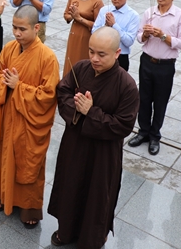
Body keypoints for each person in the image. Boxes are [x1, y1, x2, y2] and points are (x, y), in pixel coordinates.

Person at [48, 27, 140, 248]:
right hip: (75, 143)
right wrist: (78, 109)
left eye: (101, 54)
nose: (94, 59)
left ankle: (92, 238)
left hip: (103, 154)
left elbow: (123, 125)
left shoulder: (126, 85)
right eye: (91, 52)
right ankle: (66, 230)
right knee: (70, 185)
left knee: (97, 195)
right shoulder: (81, 68)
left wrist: (91, 112)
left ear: (117, 53)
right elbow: (63, 92)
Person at [0, 5, 60, 229]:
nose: (17, 33)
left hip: (28, 122)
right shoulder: (9, 48)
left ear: (36, 28)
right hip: (7, 115)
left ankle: (29, 208)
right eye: (14, 28)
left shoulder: (48, 58)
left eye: (22, 29)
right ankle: (3, 195)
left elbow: (48, 96)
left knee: (27, 162)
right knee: (4, 155)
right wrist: (4, 81)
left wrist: (18, 86)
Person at [127, 0, 181, 156]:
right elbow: (139, 38)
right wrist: (146, 34)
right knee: (144, 98)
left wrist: (163, 36)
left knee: (160, 101)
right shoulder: (149, 12)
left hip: (165, 66)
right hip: (147, 61)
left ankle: (155, 136)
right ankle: (143, 132)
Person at [91, 0, 140, 71]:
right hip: (101, 54)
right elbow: (94, 32)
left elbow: (129, 41)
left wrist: (114, 25)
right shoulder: (104, 10)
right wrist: (105, 26)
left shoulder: (133, 16)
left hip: (120, 57)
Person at [62, 0, 103, 75]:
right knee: (70, 60)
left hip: (86, 37)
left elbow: (98, 25)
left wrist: (79, 18)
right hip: (74, 35)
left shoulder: (97, 1)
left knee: (82, 63)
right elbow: (66, 15)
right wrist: (72, 15)